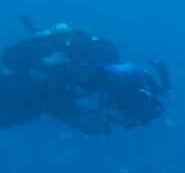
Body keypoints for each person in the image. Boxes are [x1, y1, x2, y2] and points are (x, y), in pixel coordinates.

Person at [0, 18, 169, 134]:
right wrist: (44, 60)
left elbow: (51, 104)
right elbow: (9, 58)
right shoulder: (93, 55)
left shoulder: (95, 86)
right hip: (18, 83)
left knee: (20, 110)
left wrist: (80, 121)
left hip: (23, 97)